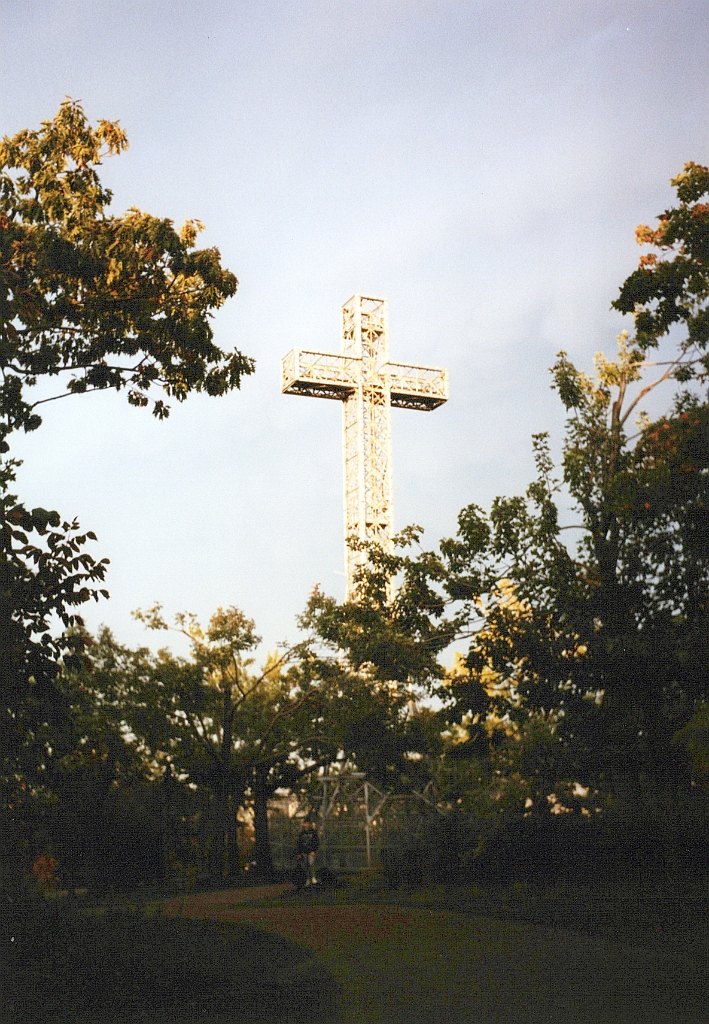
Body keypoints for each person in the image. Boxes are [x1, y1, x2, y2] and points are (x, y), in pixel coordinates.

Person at [296, 818, 320, 886]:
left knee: (311, 864)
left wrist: (314, 851)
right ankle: (307, 879)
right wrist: (298, 853)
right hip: (303, 852)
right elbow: (299, 843)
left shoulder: (313, 832)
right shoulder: (301, 833)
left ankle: (313, 877)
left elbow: (316, 842)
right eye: (305, 823)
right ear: (303, 824)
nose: (307, 824)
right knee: (305, 866)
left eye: (308, 823)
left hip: (311, 852)